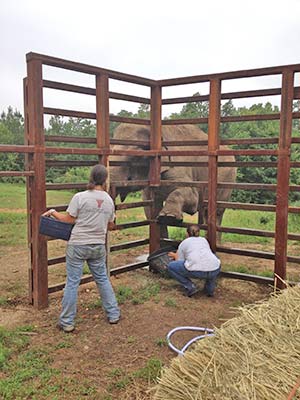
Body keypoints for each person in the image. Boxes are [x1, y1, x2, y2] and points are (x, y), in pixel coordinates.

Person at [42, 164, 120, 332]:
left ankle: (67, 322)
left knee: (72, 283)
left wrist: (53, 212)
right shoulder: (108, 200)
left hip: (78, 244)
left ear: (91, 177)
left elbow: (69, 219)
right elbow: (111, 225)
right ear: (105, 179)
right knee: (102, 279)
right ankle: (113, 314)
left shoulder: (80, 197)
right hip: (98, 245)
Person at [167, 225, 221, 297]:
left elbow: (179, 260)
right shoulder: (204, 240)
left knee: (171, 266)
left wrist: (174, 255)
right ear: (199, 232)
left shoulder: (184, 243)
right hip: (215, 269)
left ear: (187, 234)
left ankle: (190, 286)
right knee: (212, 261)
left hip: (197, 271)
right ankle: (209, 290)